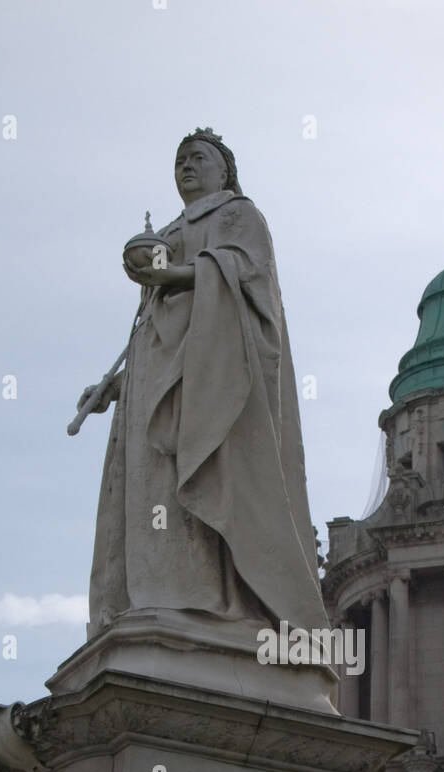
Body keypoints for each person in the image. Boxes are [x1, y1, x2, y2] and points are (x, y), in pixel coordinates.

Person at [77, 129, 328, 643]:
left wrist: (176, 276)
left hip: (211, 379)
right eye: (179, 160)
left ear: (224, 171)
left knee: (201, 471)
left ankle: (204, 599)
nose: (186, 166)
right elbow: (155, 333)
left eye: (199, 157)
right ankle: (154, 596)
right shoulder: (168, 234)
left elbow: (242, 274)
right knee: (151, 484)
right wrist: (119, 385)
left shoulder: (238, 215)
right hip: (155, 381)